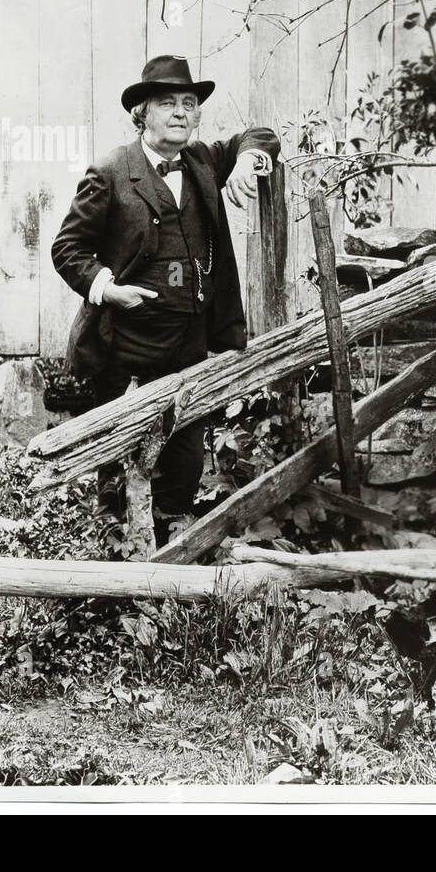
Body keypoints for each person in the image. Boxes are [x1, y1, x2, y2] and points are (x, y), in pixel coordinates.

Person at [52, 55, 281, 547]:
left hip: (188, 343)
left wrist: (244, 160)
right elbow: (67, 249)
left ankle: (173, 545)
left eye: (189, 104)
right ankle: (116, 556)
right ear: (142, 114)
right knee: (116, 456)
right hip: (125, 345)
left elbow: (261, 135)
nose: (180, 112)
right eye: (167, 103)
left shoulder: (202, 162)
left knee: (185, 455)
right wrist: (107, 287)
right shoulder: (110, 172)